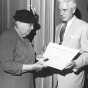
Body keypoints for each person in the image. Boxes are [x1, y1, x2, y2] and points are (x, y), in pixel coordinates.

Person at [0, 9, 43, 88]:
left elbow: (21, 57)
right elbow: (6, 65)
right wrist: (33, 67)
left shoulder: (25, 38)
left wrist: (37, 58)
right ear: (19, 23)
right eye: (30, 25)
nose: (33, 28)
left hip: (26, 83)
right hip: (12, 84)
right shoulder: (8, 36)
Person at [54, 0, 88, 88]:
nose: (61, 13)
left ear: (73, 10)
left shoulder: (84, 26)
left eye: (64, 10)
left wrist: (75, 63)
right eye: (60, 10)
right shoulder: (58, 27)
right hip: (56, 78)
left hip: (72, 80)